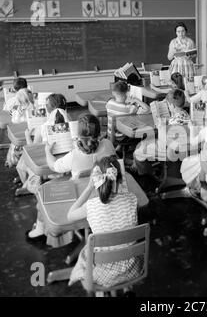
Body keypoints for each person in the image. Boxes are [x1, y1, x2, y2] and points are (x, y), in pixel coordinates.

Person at [27, 114, 116, 240]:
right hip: (104, 192)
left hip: (79, 198)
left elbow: (53, 166)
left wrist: (48, 151)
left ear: (78, 135)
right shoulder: (108, 144)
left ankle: (40, 229)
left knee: (43, 191)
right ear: (99, 132)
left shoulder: (74, 154)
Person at [67, 156, 143, 288]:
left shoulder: (90, 206)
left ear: (95, 180)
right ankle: (126, 288)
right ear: (120, 179)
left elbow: (70, 215)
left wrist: (89, 187)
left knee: (86, 251)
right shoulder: (132, 199)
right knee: (114, 244)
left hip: (103, 276)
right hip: (133, 269)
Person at [15, 94, 69, 196]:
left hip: (49, 161)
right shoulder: (70, 122)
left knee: (26, 156)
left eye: (46, 104)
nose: (45, 106)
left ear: (52, 107)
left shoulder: (43, 127)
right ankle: (28, 180)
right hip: (65, 159)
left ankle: (29, 183)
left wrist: (27, 135)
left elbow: (33, 150)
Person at [131, 89, 190, 175]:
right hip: (181, 149)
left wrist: (161, 127)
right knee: (143, 143)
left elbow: (163, 142)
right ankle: (139, 168)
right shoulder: (186, 115)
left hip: (168, 150)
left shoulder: (172, 121)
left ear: (171, 105)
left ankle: (147, 175)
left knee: (137, 153)